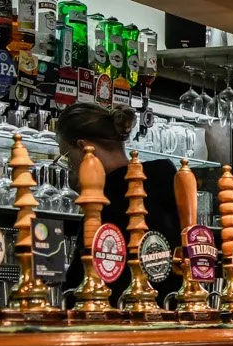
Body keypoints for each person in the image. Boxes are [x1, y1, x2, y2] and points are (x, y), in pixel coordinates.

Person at [53, 104, 182, 305]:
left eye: (68, 157)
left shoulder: (105, 201)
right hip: (175, 317)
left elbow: (82, 287)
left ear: (84, 148)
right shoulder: (164, 183)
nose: (71, 168)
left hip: (123, 322)